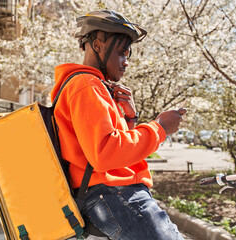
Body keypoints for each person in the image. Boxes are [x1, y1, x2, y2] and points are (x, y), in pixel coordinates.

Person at [51, 10, 186, 240]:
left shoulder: (94, 86)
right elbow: (105, 153)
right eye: (122, 53)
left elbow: (118, 155)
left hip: (113, 194)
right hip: (113, 194)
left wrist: (130, 119)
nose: (126, 62)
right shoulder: (86, 85)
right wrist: (159, 128)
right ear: (98, 45)